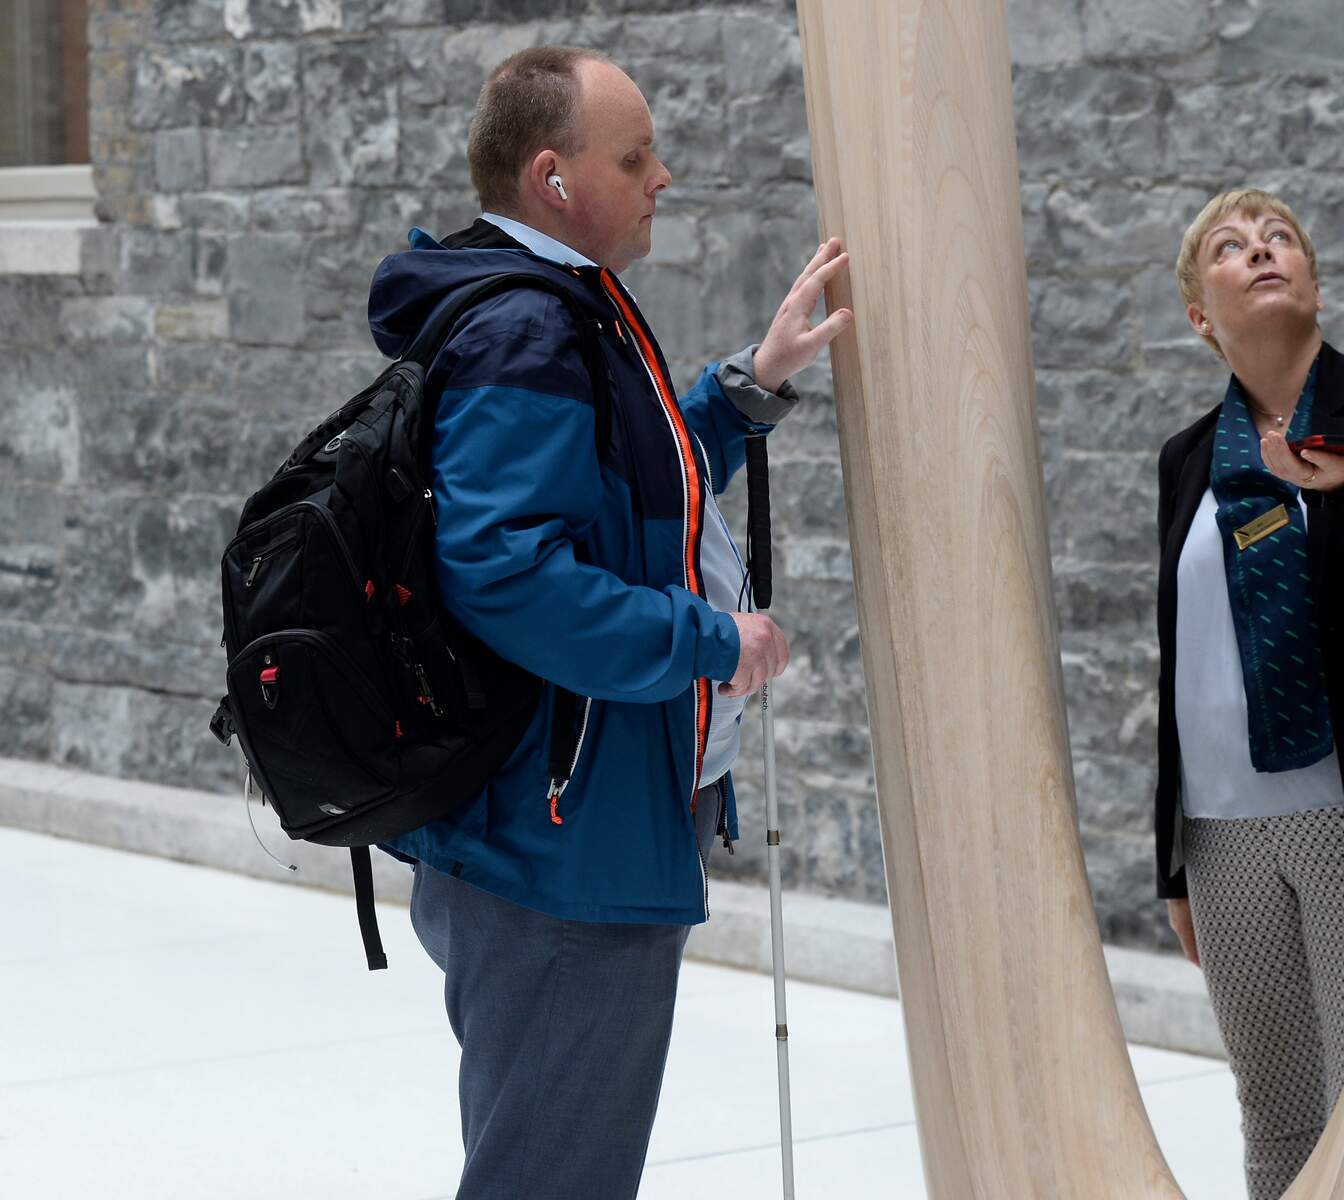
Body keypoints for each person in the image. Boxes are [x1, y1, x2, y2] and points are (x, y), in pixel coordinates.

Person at [365, 46, 851, 1198]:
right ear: (552, 178)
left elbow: (624, 498)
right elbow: (505, 571)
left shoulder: (556, 309)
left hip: (558, 829)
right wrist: (710, 641)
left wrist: (745, 389)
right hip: (559, 853)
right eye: (634, 158)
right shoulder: (529, 330)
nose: (661, 177)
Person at [1152, 188, 1344, 1199]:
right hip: (1222, 833)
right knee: (1277, 1114)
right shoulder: (1187, 459)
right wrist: (1171, 862)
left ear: (1314, 285)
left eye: (1279, 237)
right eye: (1231, 247)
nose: (1261, 250)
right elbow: (1179, 654)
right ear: (1202, 315)